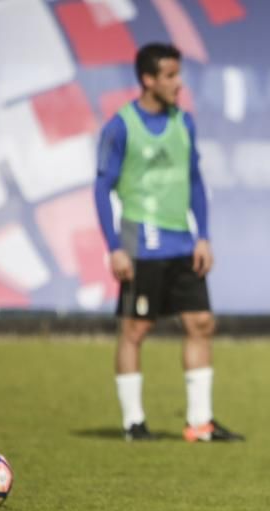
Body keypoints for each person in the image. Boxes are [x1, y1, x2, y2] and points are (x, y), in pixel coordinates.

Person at [94, 43, 243, 443]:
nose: (179, 83)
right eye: (171, 76)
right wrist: (114, 246)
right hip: (140, 243)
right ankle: (133, 423)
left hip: (182, 243)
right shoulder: (120, 126)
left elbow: (194, 181)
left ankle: (200, 423)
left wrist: (204, 237)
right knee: (135, 329)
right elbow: (101, 187)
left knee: (200, 323)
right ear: (148, 79)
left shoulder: (185, 122)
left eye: (179, 75)